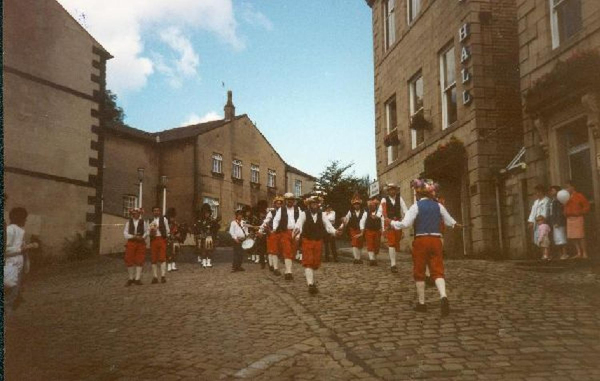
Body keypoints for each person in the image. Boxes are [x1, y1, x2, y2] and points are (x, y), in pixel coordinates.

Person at [388, 179, 461, 317]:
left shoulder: (416, 206)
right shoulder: (438, 206)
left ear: (418, 194)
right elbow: (449, 220)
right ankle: (443, 296)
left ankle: (422, 304)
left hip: (421, 240)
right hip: (436, 240)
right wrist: (455, 224)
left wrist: (392, 223)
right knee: (437, 270)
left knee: (420, 271)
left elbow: (405, 223)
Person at [293, 197, 341, 294]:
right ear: (309, 205)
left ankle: (311, 277)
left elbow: (328, 226)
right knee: (308, 262)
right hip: (307, 240)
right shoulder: (304, 214)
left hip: (318, 241)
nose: (314, 205)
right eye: (312, 204)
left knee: (315, 264)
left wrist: (335, 232)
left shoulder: (322, 215)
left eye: (316, 204)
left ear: (318, 205)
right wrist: (297, 235)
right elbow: (298, 225)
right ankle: (310, 284)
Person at [5, 207, 38, 313]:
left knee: (13, 295)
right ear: (19, 218)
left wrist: (27, 264)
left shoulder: (20, 231)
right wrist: (26, 247)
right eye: (24, 218)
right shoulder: (10, 230)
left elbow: (23, 251)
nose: (26, 220)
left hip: (17, 267)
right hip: (10, 265)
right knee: (9, 294)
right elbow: (5, 250)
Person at [378, 183, 408, 273]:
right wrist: (382, 222)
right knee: (391, 243)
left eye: (394, 189)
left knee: (396, 242)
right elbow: (380, 212)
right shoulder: (384, 199)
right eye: (390, 190)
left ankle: (393, 261)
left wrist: (406, 220)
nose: (392, 191)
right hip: (389, 223)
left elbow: (405, 210)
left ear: (396, 190)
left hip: (398, 223)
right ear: (388, 191)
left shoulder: (400, 198)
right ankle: (393, 264)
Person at [272, 193, 302, 281]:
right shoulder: (281, 209)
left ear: (294, 201)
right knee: (287, 250)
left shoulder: (298, 209)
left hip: (295, 232)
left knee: (293, 252)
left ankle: (288, 270)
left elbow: (301, 221)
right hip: (285, 232)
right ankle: (288, 272)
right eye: (288, 200)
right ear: (285, 201)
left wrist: (298, 234)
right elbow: (276, 220)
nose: (290, 201)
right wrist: (274, 229)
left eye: (292, 200)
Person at [563, 181, 590, 259]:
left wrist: (580, 212)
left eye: (568, 187)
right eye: (566, 187)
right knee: (573, 237)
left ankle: (584, 253)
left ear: (573, 187)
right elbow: (565, 207)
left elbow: (586, 206)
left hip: (577, 217)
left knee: (580, 236)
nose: (566, 189)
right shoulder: (566, 197)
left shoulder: (579, 195)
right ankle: (578, 252)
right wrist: (565, 212)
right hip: (569, 218)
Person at [259, 196, 284, 276]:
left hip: (281, 233)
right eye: (277, 203)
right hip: (272, 233)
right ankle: (275, 268)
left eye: (280, 204)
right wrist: (260, 230)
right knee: (273, 250)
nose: (279, 205)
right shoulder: (271, 212)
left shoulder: (284, 212)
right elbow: (265, 221)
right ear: (275, 204)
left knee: (274, 250)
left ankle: (271, 264)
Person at [123, 208, 148, 286]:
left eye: (136, 213)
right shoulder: (128, 223)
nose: (135, 215)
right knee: (129, 259)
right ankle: (131, 278)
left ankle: (137, 279)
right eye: (133, 214)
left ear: (139, 214)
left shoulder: (143, 222)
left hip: (140, 243)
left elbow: (147, 231)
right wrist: (133, 236)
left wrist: (142, 237)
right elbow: (125, 233)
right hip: (131, 242)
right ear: (132, 214)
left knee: (140, 259)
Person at [355, 199, 383, 266]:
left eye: (373, 205)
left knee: (376, 245)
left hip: (377, 231)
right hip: (369, 231)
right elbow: (362, 221)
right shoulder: (366, 213)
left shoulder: (379, 213)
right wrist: (362, 231)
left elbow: (382, 221)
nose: (371, 207)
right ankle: (371, 260)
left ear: (375, 206)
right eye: (370, 206)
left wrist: (383, 229)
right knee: (370, 244)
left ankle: (374, 259)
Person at [194, 204, 219, 268]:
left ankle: (209, 262)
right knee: (204, 250)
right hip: (203, 237)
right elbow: (198, 229)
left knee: (210, 250)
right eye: (205, 213)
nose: (207, 214)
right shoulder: (200, 221)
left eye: (208, 213)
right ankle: (204, 262)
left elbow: (215, 228)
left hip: (210, 237)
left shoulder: (211, 220)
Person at [343, 196, 367, 264]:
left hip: (360, 229)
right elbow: (346, 219)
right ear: (353, 205)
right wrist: (342, 225)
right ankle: (356, 258)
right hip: (353, 229)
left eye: (358, 204)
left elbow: (365, 220)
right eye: (355, 204)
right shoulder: (350, 211)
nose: (356, 205)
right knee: (354, 242)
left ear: (360, 205)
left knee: (360, 243)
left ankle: (359, 258)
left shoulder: (364, 211)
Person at [149, 206, 170, 284]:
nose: (156, 212)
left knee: (162, 257)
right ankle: (155, 277)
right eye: (154, 211)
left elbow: (167, 229)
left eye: (157, 210)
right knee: (154, 258)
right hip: (154, 240)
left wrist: (166, 238)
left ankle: (163, 276)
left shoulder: (163, 219)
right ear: (152, 212)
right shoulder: (150, 220)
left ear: (160, 212)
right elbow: (148, 231)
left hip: (161, 239)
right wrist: (151, 232)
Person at [527, 185, 551, 251]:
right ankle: (542, 254)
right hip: (536, 223)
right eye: (536, 192)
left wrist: (541, 218)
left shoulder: (547, 200)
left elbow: (545, 212)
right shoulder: (536, 202)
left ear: (542, 192)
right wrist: (531, 221)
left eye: (538, 192)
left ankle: (547, 254)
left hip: (543, 222)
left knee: (544, 238)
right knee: (538, 239)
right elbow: (533, 212)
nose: (537, 194)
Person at [548, 186, 568, 260]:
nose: (551, 192)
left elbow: (559, 213)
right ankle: (560, 254)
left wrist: (557, 222)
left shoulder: (558, 201)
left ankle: (565, 253)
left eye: (553, 190)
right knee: (557, 239)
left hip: (559, 222)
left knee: (562, 238)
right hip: (554, 222)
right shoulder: (552, 200)